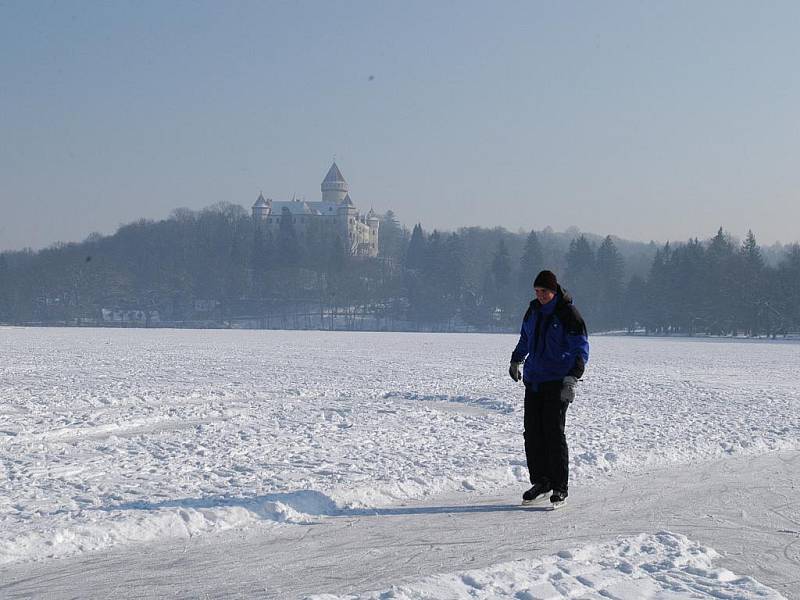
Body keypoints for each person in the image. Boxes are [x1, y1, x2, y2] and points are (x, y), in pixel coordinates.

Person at [509, 270, 589, 507]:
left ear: (553, 291)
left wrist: (572, 379)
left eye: (544, 291)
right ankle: (542, 481)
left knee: (553, 433)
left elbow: (581, 348)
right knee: (532, 433)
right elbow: (525, 338)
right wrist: (516, 360)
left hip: (557, 381)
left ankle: (559, 486)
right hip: (534, 380)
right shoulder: (533, 310)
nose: (540, 295)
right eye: (537, 291)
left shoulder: (568, 314)